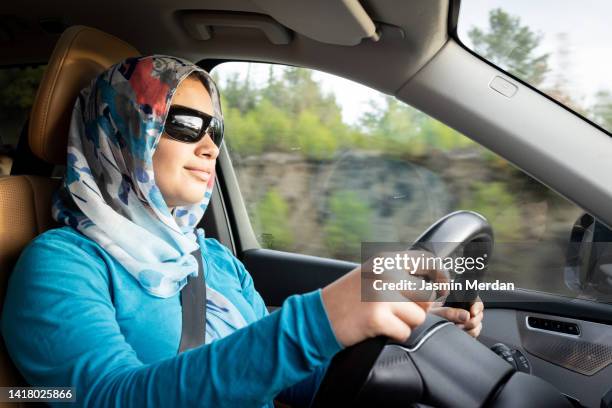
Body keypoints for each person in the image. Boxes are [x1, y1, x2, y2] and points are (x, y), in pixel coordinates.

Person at [1, 55, 483, 407]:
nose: (210, 146)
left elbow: (280, 375)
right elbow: (107, 398)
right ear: (123, 130)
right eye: (186, 124)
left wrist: (410, 340)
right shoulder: (59, 263)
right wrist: (318, 321)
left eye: (216, 130)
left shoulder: (210, 258)